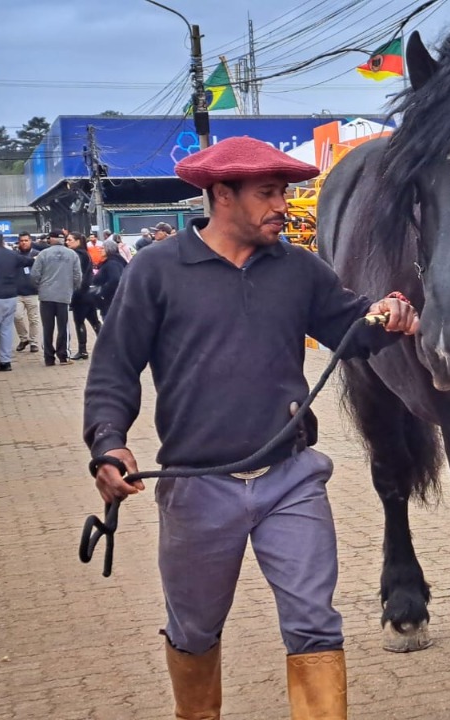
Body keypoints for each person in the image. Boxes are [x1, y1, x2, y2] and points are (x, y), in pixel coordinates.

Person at [82, 136, 419, 719]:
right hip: (196, 484)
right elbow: (113, 367)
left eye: (285, 192)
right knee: (194, 629)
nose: (283, 205)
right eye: (268, 193)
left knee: (315, 624)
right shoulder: (158, 271)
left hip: (290, 479)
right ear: (221, 195)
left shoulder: (299, 269)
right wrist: (109, 444)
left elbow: (351, 327)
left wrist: (390, 312)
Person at [30, 230, 81, 366]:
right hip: (64, 295)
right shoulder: (72, 254)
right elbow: (77, 276)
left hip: (46, 295)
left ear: (50, 239)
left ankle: (48, 357)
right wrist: (72, 288)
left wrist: (39, 287)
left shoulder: (43, 254)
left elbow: (35, 274)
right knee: (63, 327)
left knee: (47, 328)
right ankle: (63, 356)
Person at [65, 232, 102, 360]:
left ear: (77, 241)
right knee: (94, 321)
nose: (67, 242)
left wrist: (74, 293)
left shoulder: (77, 255)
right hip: (89, 292)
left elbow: (76, 275)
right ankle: (107, 344)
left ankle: (82, 349)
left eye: (70, 240)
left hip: (80, 293)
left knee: (80, 321)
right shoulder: (86, 254)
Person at [0, 231, 20, 371]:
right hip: (10, 296)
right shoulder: (12, 255)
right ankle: (5, 362)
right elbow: (27, 261)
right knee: (6, 329)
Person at [11, 232, 40, 355]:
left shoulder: (37, 255)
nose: (24, 242)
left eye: (26, 240)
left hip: (33, 292)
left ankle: (33, 342)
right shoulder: (14, 256)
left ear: (30, 241)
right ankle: (23, 338)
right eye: (21, 240)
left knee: (34, 319)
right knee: (17, 316)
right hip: (17, 293)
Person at [92, 239, 127, 317]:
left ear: (109, 249)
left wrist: (102, 292)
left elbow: (115, 279)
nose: (100, 250)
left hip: (111, 302)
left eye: (102, 248)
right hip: (114, 301)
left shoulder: (112, 263)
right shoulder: (116, 261)